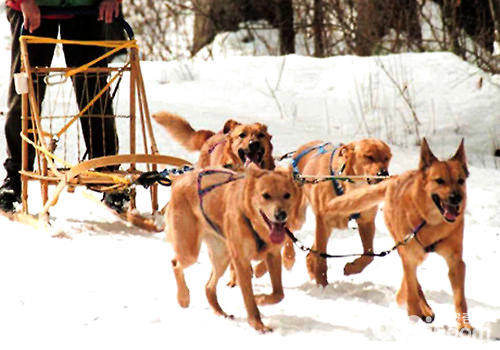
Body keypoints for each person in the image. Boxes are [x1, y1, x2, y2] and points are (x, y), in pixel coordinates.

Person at [1, 0, 128, 212]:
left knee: (93, 88)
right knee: (25, 90)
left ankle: (107, 172)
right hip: (33, 6)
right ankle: (15, 177)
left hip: (86, 8)